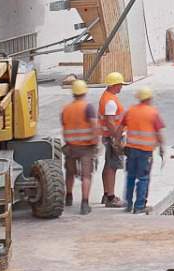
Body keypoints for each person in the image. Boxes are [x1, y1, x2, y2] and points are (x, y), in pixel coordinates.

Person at [121, 84, 166, 214]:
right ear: (149, 98)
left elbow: (120, 127)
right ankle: (139, 206)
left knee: (130, 176)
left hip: (131, 150)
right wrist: (162, 147)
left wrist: (118, 141)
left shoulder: (130, 111)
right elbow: (158, 133)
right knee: (143, 178)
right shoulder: (153, 113)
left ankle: (128, 204)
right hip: (145, 152)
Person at [59, 79, 101, 215]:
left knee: (70, 172)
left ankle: (69, 197)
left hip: (71, 147)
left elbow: (64, 125)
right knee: (86, 175)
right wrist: (97, 141)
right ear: (85, 92)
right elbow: (94, 125)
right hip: (86, 148)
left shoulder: (66, 109)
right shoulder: (88, 108)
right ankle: (84, 204)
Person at [98, 72, 128, 208]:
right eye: (120, 84)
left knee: (108, 164)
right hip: (113, 137)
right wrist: (117, 138)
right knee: (112, 167)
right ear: (115, 85)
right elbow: (110, 122)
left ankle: (107, 194)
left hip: (108, 136)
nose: (121, 87)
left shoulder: (106, 97)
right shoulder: (110, 102)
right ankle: (111, 198)